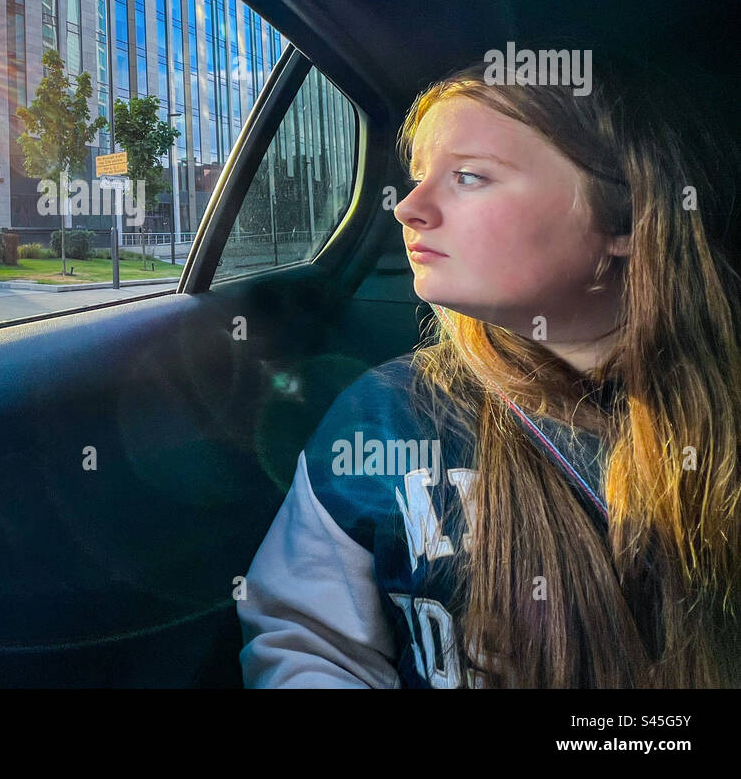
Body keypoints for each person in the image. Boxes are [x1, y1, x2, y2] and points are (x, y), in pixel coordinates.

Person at [238, 59, 741, 689]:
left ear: (623, 220)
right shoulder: (386, 416)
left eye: (469, 177)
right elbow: (308, 644)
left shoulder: (723, 416)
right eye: (418, 177)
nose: (409, 208)